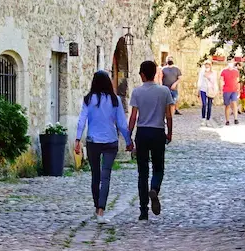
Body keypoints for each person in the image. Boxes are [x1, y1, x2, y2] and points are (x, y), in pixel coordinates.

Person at [73, 71, 133, 221]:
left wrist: (77, 139)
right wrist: (128, 141)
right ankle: (101, 210)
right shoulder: (115, 100)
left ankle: (96, 205)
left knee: (95, 175)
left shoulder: (88, 99)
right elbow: (121, 123)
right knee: (106, 176)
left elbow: (82, 120)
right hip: (110, 141)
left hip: (93, 141)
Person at [129, 60, 174, 220]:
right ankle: (154, 188)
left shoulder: (137, 92)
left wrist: (129, 137)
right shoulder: (164, 91)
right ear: (155, 73)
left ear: (142, 74)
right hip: (158, 132)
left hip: (142, 132)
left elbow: (134, 116)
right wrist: (170, 132)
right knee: (158, 167)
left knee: (142, 173)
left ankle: (143, 211)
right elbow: (168, 114)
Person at [197, 61, 218, 126]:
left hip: (210, 90)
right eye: (206, 64)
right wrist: (198, 90)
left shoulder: (213, 73)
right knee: (204, 104)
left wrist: (215, 90)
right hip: (203, 89)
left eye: (208, 64)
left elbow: (214, 81)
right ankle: (203, 119)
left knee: (209, 106)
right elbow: (199, 81)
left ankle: (208, 120)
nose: (207, 66)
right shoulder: (202, 72)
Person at [220, 60, 240, 125]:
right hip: (226, 90)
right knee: (227, 106)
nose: (230, 64)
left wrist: (238, 90)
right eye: (229, 62)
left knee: (234, 103)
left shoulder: (236, 72)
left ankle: (236, 118)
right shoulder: (224, 71)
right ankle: (227, 120)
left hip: (234, 90)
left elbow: (238, 81)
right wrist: (221, 89)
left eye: (231, 62)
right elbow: (221, 80)